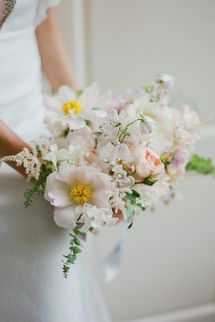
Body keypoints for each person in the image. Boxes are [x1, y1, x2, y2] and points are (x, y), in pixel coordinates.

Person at [0, 1, 111, 321]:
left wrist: (85, 123)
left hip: (41, 141)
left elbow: (41, 16)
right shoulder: (53, 178)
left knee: (50, 295)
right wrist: (44, 173)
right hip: (31, 163)